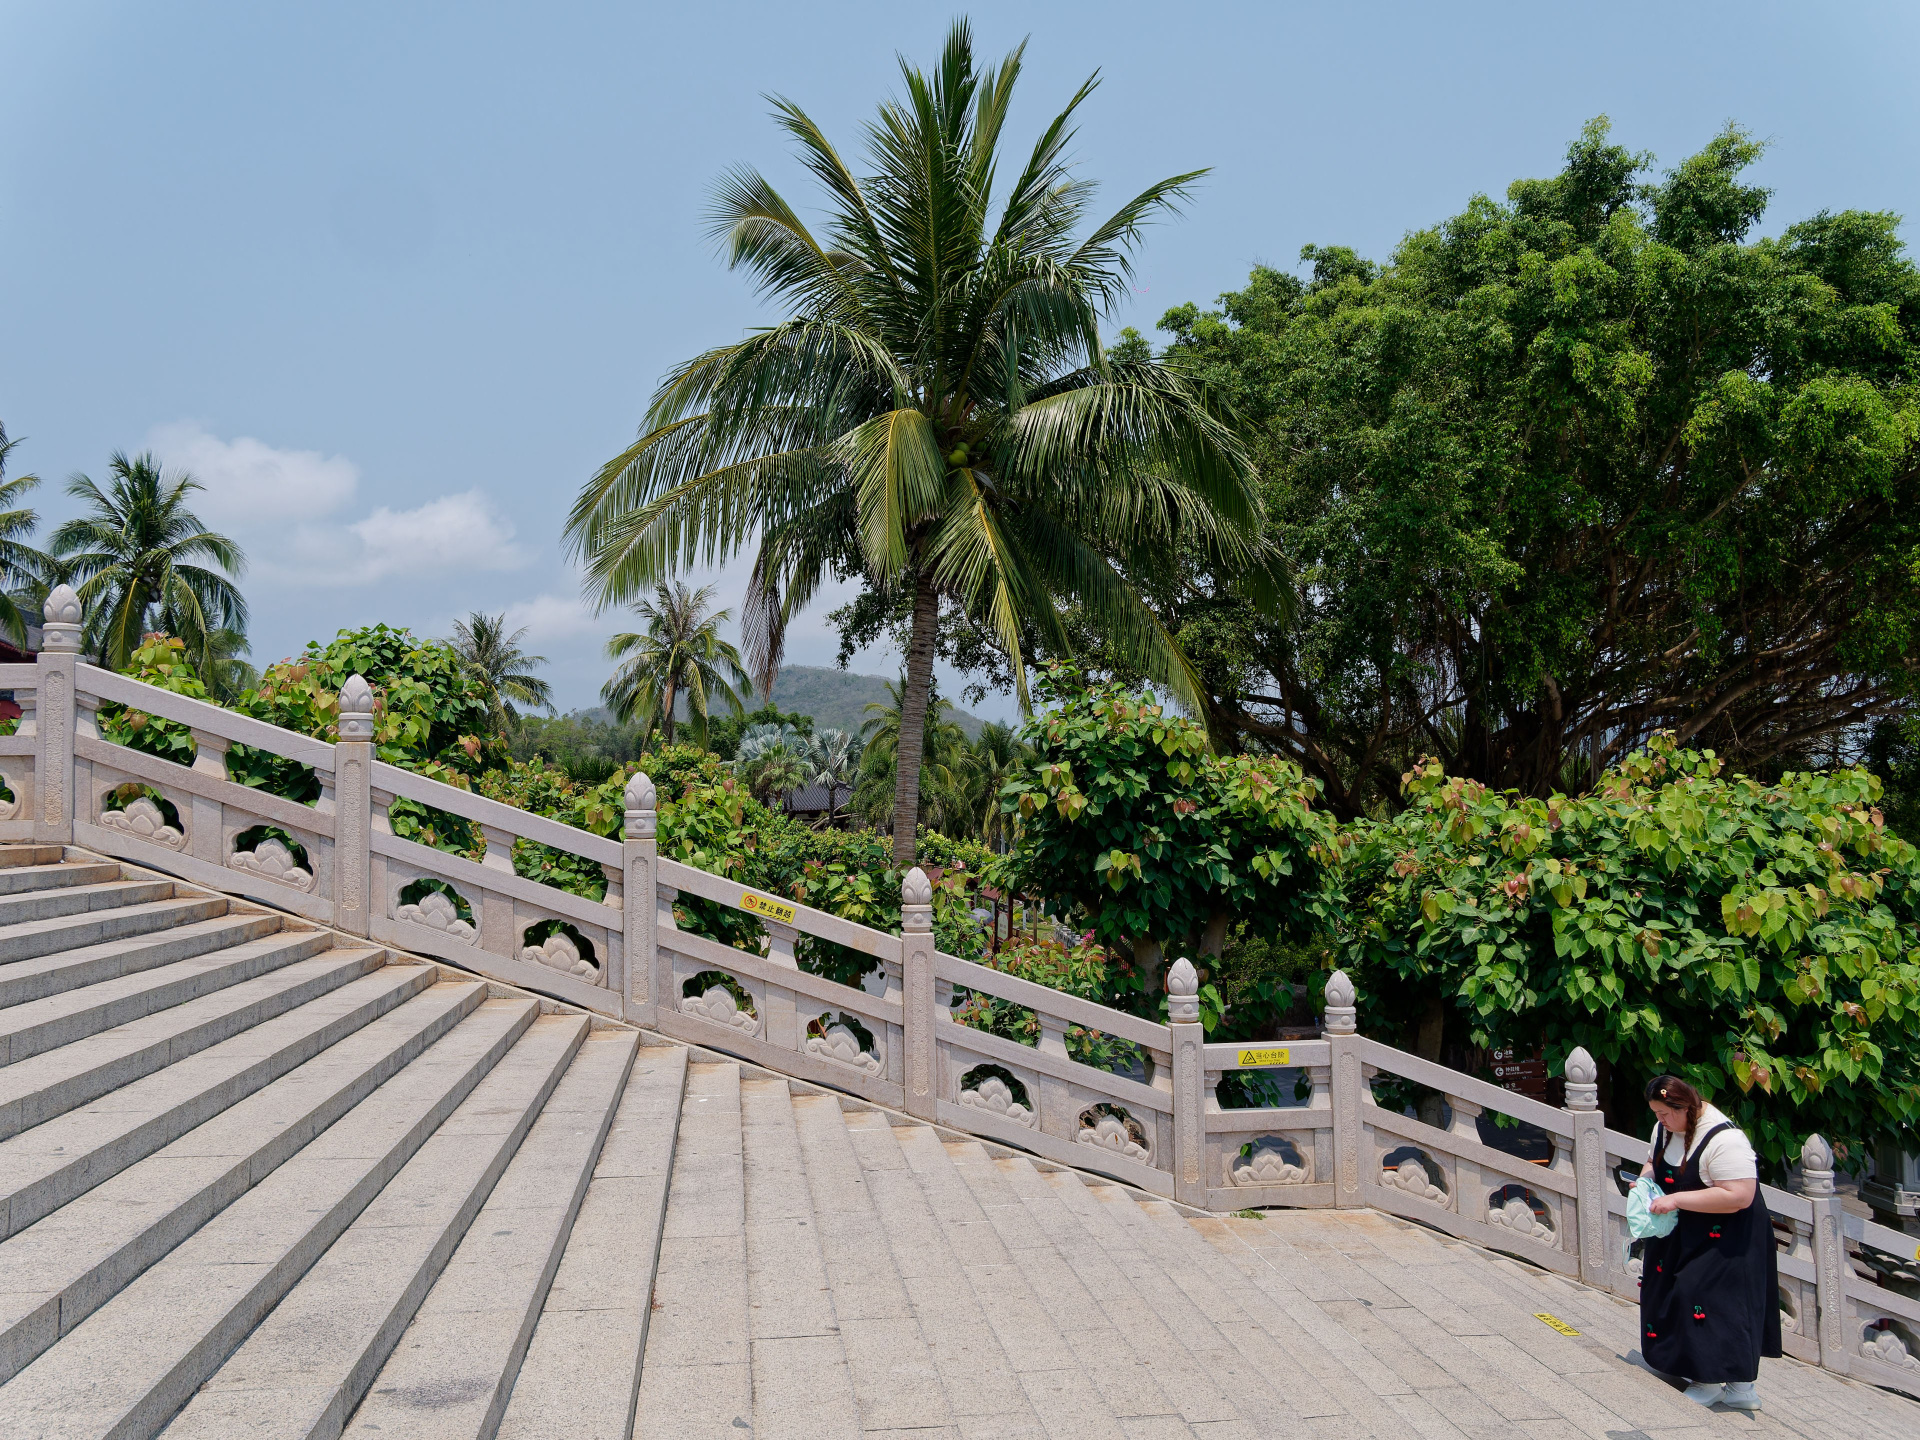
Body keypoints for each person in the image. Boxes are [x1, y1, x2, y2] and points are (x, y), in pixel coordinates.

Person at [1637, 1075, 1781, 1410]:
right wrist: (1644, 1183)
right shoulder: (1663, 1129)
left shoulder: (1725, 1139)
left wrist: (1676, 1200)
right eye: (1656, 1113)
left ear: (1684, 1107)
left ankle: (1714, 1381)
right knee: (1672, 1288)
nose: (1660, 1120)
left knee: (1706, 1295)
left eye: (1665, 1113)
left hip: (1728, 1231)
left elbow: (1739, 1196)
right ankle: (1735, 1385)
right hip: (1684, 1227)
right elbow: (1653, 1162)